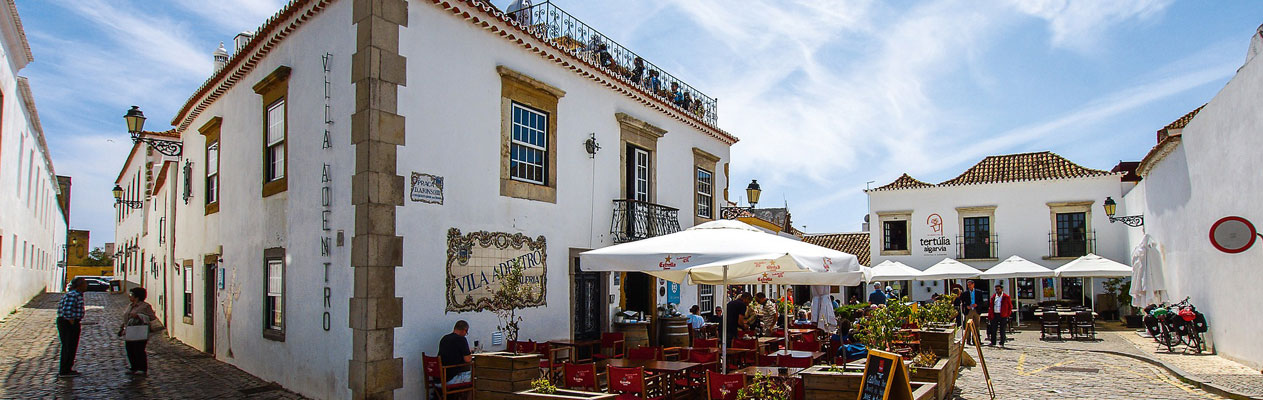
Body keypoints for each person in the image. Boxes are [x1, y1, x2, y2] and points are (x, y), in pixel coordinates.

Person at [117, 287, 158, 375]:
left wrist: (139, 316)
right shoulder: (130, 306)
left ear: (137, 296)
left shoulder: (145, 306)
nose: (129, 296)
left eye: (131, 294)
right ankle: (134, 367)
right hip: (130, 330)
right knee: (130, 349)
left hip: (140, 331)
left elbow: (152, 318)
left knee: (138, 350)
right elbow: (126, 318)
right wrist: (122, 328)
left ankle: (142, 368)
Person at [57, 278, 88, 378]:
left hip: (70, 322)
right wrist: (72, 322)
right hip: (68, 323)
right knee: (68, 346)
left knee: (71, 346)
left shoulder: (77, 294)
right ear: (79, 285)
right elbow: (67, 311)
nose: (86, 285)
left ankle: (68, 368)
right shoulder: (73, 295)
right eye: (84, 283)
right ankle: (64, 370)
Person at [438, 320, 474, 385]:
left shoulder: (444, 338)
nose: (466, 334)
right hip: (450, 379)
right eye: (466, 332)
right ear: (464, 330)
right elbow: (468, 359)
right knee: (476, 378)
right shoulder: (461, 339)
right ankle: (468, 395)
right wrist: (470, 353)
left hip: (439, 378)